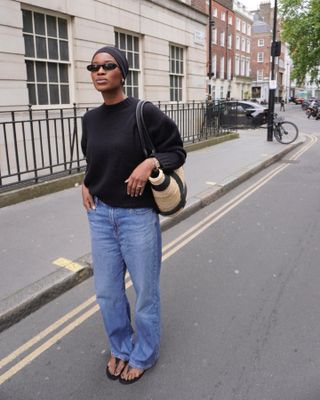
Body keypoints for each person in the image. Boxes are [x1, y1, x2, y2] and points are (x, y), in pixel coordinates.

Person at [81, 46, 186, 384]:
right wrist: (85, 182)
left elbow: (176, 150)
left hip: (137, 217)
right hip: (100, 215)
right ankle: (121, 347)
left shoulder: (144, 112)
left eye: (108, 66)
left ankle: (144, 353)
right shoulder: (90, 118)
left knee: (145, 293)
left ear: (122, 73)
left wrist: (150, 161)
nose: (99, 72)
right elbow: (93, 158)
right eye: (93, 67)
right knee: (108, 292)